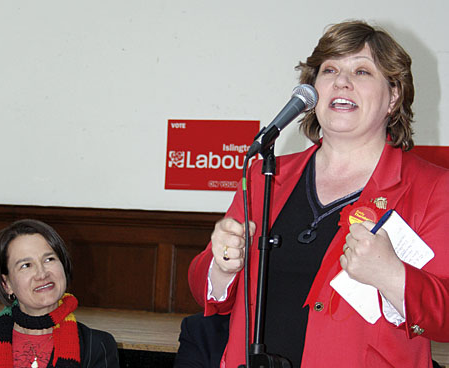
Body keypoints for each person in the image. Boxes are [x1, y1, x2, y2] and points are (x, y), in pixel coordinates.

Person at [188, 20, 449, 368]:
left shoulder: (433, 189)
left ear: (394, 96)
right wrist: (222, 266)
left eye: (362, 71)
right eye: (329, 70)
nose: (342, 81)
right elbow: (203, 287)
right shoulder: (265, 175)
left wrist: (392, 275)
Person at [0, 219, 119, 368]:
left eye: (49, 259)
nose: (42, 274)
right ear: (6, 284)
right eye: (26, 265)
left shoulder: (97, 346)